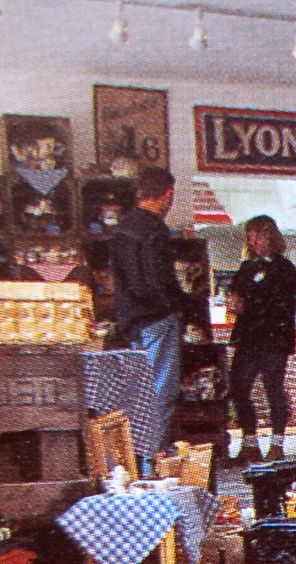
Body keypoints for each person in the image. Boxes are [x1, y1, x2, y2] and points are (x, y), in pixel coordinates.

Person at [110, 166, 185, 457]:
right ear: (167, 194)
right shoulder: (155, 230)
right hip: (156, 318)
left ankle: (136, 457)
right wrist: (175, 305)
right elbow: (158, 281)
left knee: (137, 392)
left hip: (130, 321)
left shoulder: (122, 228)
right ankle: (152, 459)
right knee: (161, 390)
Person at [226, 215, 296, 466]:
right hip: (248, 338)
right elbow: (233, 295)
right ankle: (250, 444)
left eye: (258, 235)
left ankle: (277, 444)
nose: (254, 241)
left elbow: (282, 304)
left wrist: (250, 304)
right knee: (238, 386)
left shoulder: (286, 269)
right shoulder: (247, 268)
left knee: (273, 389)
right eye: (250, 237)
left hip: (273, 340)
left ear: (271, 236)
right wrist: (235, 303)